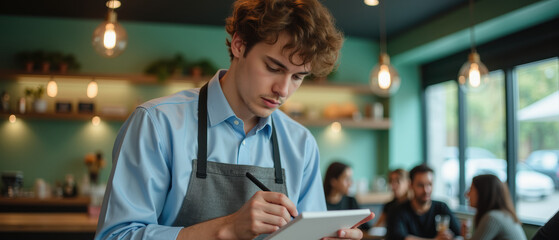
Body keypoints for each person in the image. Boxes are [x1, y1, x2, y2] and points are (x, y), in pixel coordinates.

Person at [95, 0, 373, 239]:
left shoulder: (301, 144)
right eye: (273, 67)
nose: (283, 90)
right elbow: (116, 235)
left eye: (298, 77)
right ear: (239, 44)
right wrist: (226, 228)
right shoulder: (156, 124)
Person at [386, 164, 461, 240]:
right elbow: (399, 238)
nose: (426, 190)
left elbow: (458, 233)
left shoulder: (442, 207)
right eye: (420, 185)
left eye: (429, 184)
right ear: (410, 185)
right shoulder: (397, 210)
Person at [463, 174, 526, 240]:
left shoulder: (492, 218)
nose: (467, 194)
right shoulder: (501, 214)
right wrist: (465, 235)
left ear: (483, 193)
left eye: (471, 189)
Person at [323, 161, 371, 231]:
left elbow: (366, 228)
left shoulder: (351, 201)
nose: (350, 184)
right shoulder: (320, 204)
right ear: (333, 181)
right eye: (347, 179)